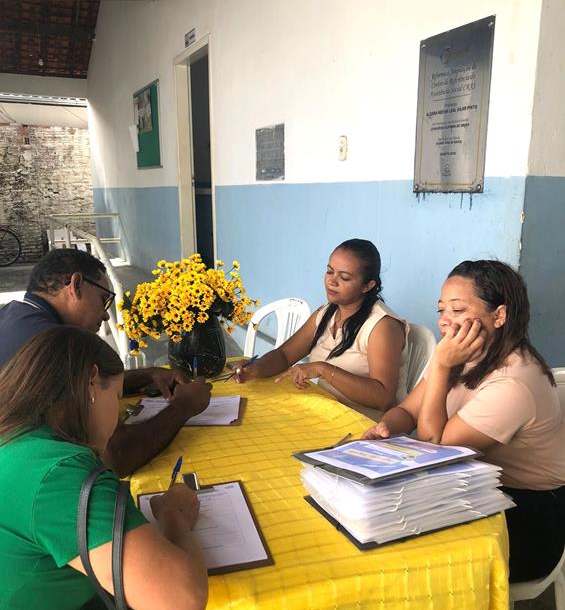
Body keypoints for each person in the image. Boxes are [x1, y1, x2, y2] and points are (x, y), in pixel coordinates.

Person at [0, 326, 208, 610]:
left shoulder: (15, 435)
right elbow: (184, 598)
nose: (121, 413)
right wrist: (175, 515)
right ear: (92, 383)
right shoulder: (57, 475)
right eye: (119, 397)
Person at [363, 259, 565, 583]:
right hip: (474, 485)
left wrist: (441, 367)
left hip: (526, 514)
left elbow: (434, 449)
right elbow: (408, 411)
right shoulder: (460, 354)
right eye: (441, 310)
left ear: (499, 316)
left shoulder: (512, 382)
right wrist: (385, 427)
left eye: (457, 310)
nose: (444, 321)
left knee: (398, 549)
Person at [0, 249, 211, 476]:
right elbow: (116, 456)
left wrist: (147, 375)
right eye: (104, 300)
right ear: (76, 285)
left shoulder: (13, 315)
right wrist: (184, 406)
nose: (106, 315)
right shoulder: (55, 346)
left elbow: (72, 385)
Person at [233, 239, 409, 419]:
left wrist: (323, 370)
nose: (332, 281)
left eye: (344, 277)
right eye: (329, 271)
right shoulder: (327, 313)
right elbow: (285, 355)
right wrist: (257, 368)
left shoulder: (382, 326)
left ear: (368, 285)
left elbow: (383, 398)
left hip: (366, 425)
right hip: (327, 413)